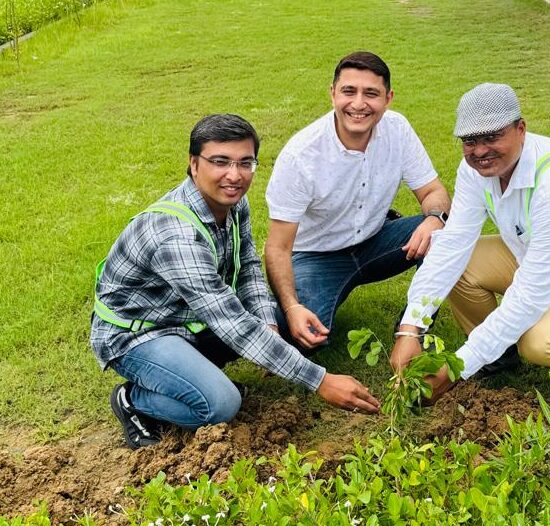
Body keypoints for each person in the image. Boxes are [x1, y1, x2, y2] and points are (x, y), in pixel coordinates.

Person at [91, 114, 380, 450]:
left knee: (280, 327)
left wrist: (270, 326)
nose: (235, 175)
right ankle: (134, 398)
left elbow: (248, 268)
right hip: (138, 333)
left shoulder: (232, 202)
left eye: (246, 163)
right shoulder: (175, 235)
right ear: (194, 164)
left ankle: (193, 373)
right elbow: (232, 323)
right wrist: (320, 381)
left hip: (187, 316)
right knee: (220, 404)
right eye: (220, 162)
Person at [390, 83, 550, 401]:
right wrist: (411, 327)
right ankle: (498, 352)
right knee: (457, 263)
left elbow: (530, 295)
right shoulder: (476, 170)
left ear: (521, 129)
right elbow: (453, 243)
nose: (480, 151)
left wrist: (456, 368)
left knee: (541, 341)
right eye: (470, 141)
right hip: (532, 253)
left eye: (492, 137)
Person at [265, 51, 451, 352]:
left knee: (445, 233)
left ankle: (412, 330)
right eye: (349, 91)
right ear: (332, 93)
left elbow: (434, 192)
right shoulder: (301, 154)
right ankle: (278, 306)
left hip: (375, 240)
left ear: (388, 98)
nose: (359, 104)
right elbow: (277, 247)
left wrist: (434, 218)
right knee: (304, 339)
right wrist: (290, 307)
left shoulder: (397, 129)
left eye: (371, 94)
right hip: (317, 255)